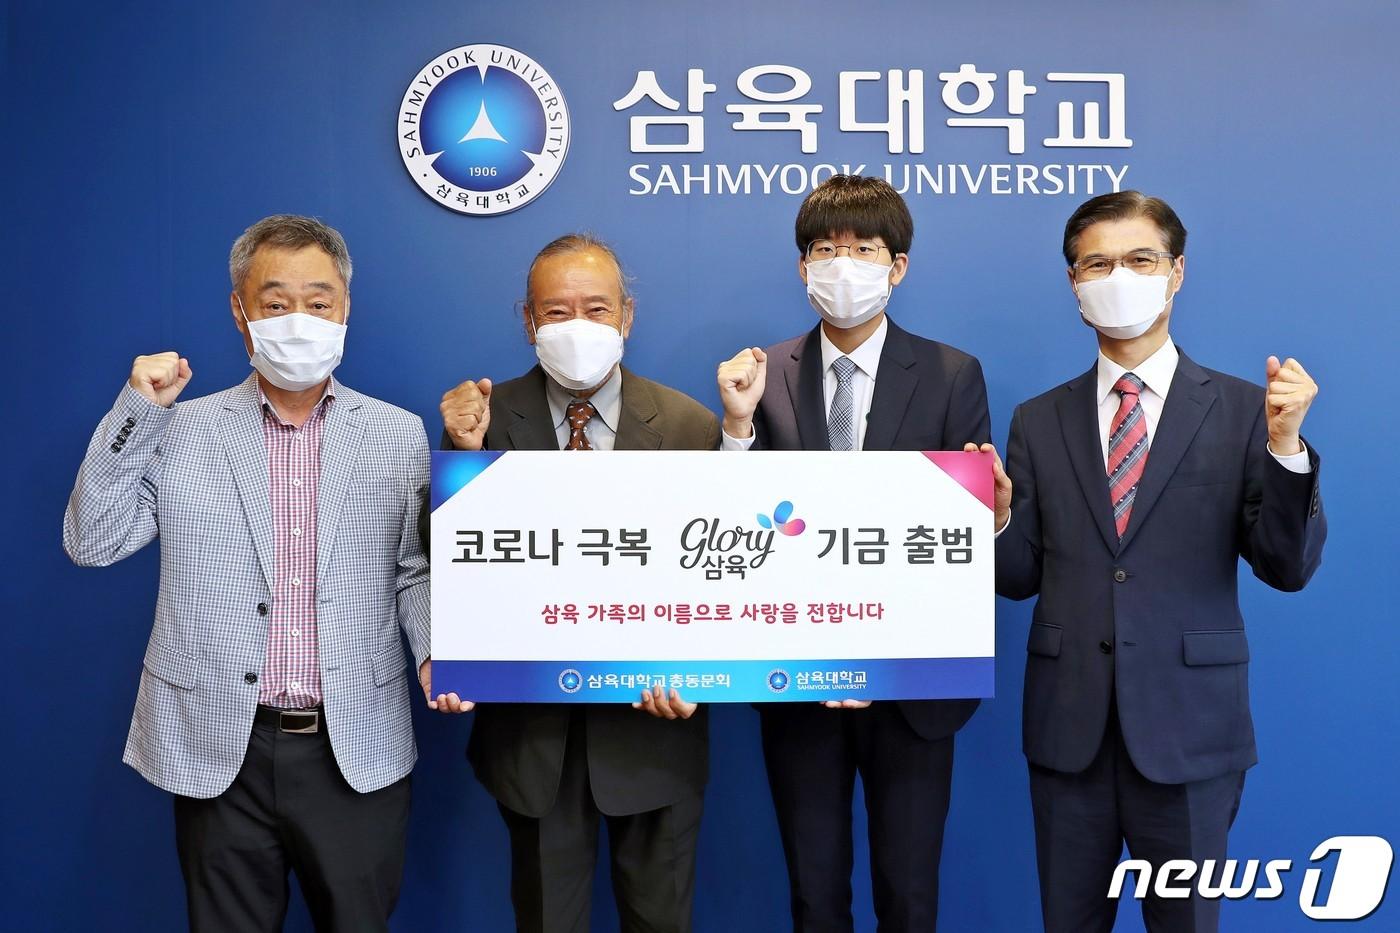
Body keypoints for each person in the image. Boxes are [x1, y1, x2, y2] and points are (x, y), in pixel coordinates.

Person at [63, 214, 467, 933]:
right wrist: (136, 411)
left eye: (319, 302)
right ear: (239, 310)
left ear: (346, 307)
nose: (299, 320)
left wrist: (436, 649)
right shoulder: (179, 428)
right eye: (276, 303)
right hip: (218, 740)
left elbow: (413, 568)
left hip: (356, 740)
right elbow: (91, 541)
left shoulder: (396, 432)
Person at [986, 191, 1326, 932]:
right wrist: (1000, 519)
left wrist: (1286, 447)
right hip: (1069, 731)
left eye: (1140, 260)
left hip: (1191, 730)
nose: (1119, 277)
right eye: (1097, 264)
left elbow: (1286, 567)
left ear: (1176, 273)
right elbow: (1018, 579)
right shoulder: (1037, 419)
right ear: (1074, 284)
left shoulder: (1247, 410)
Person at [716, 175, 991, 931]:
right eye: (824, 249)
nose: (842, 264)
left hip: (911, 692)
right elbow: (735, 528)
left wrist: (880, 654)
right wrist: (736, 426)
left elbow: (956, 541)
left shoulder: (951, 373)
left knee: (909, 894)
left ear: (896, 265)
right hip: (798, 683)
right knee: (814, 895)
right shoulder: (761, 375)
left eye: (863, 249)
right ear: (802, 267)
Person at [438, 233, 719, 932]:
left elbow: (721, 578)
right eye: (557, 312)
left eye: (596, 309)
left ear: (627, 316)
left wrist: (701, 673)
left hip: (656, 735)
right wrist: (465, 457)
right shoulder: (482, 418)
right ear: (528, 321)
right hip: (535, 744)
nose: (578, 326)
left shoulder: (689, 425)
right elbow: (443, 563)